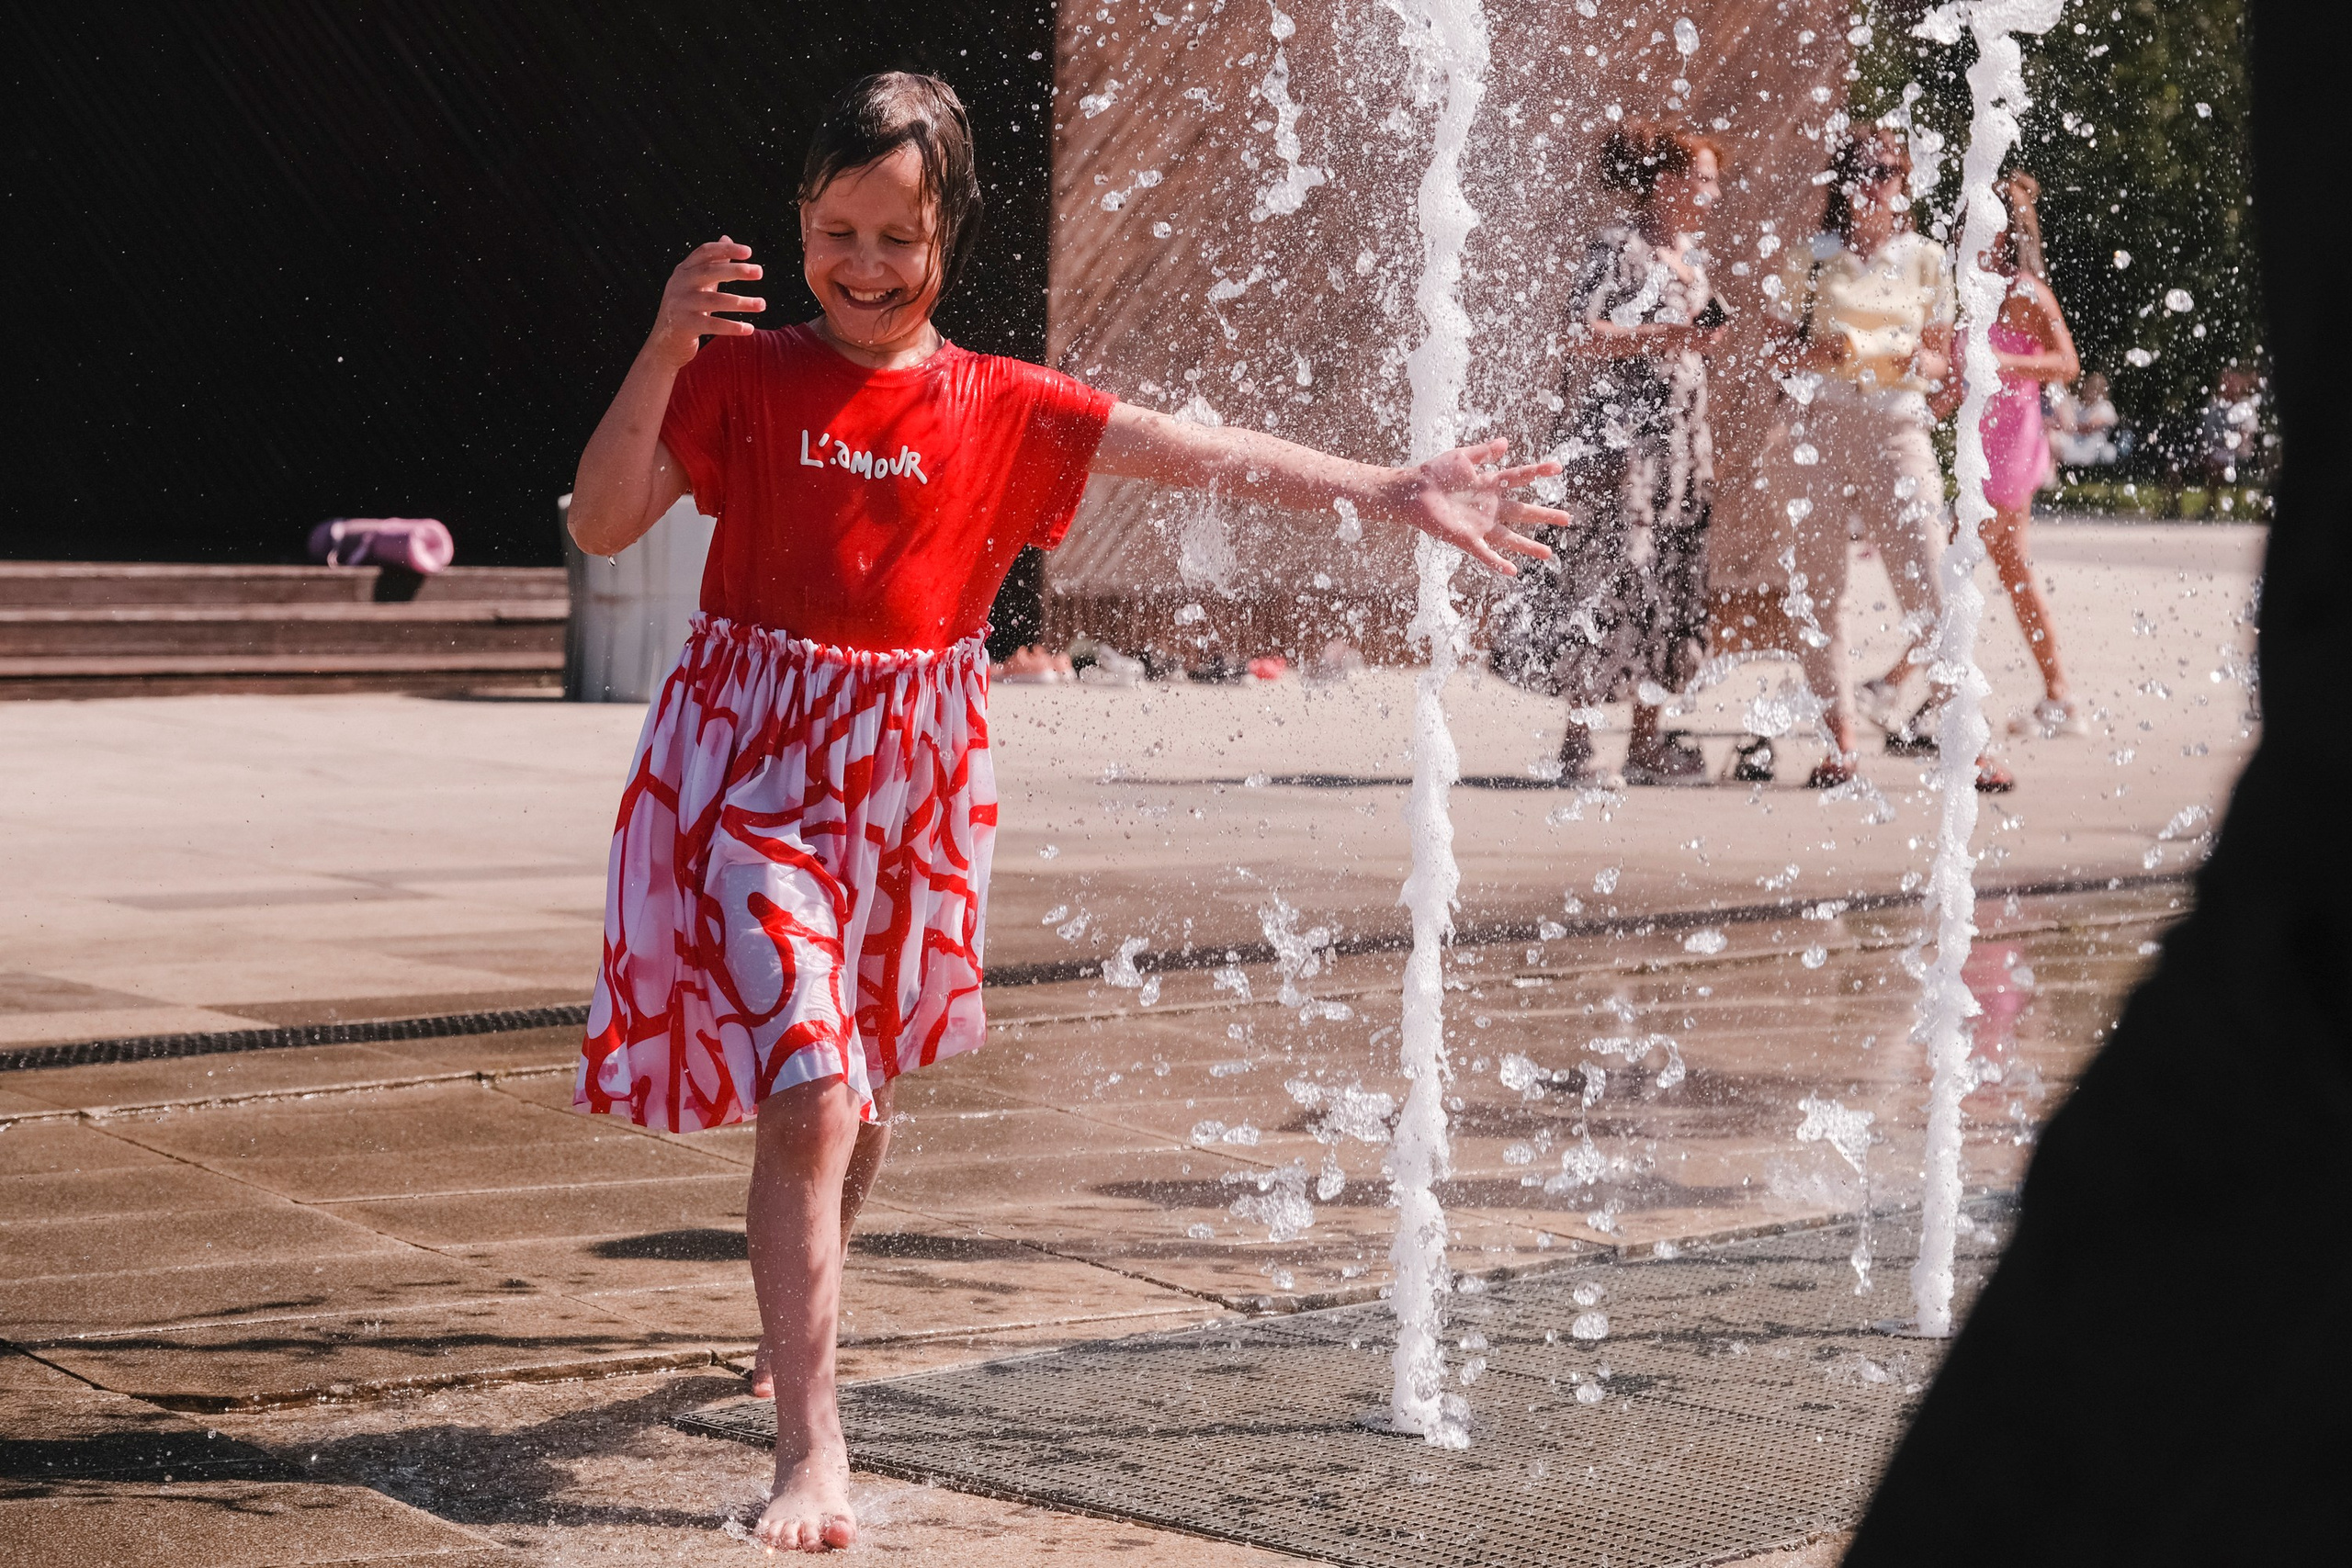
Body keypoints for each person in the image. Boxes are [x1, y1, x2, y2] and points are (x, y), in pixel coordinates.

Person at [562, 73, 1563, 1554]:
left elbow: (1200, 448)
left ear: (947, 234)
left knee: (869, 1086)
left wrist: (1389, 486)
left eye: (896, 235)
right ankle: (812, 1444)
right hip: (756, 768)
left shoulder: (1000, 403)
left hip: (911, 770)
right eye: (836, 229)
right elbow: (597, 521)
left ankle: (801, 1313)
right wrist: (660, 344)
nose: (862, 263)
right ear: (800, 223)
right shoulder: (741, 379)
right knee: (816, 1083)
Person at [1709, 126, 1989, 788]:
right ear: (1843, 180)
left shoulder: (1923, 258)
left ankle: (1962, 735)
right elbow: (1773, 353)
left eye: (1888, 169)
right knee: (1821, 590)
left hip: (1897, 430)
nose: (1875, 181)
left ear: (1904, 181)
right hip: (1816, 429)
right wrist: (1815, 354)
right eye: (1862, 169)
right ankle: (1841, 742)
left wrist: (1911, 361)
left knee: (1931, 583)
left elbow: (1939, 361)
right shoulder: (1812, 256)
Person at [1491, 119, 1726, 784]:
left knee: (1669, 590)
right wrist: (1666, 334)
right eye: (1702, 179)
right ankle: (1578, 743)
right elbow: (1580, 331)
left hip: (1683, 451)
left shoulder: (1690, 254)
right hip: (1625, 447)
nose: (1712, 193)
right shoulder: (1619, 248)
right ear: (1666, 180)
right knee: (1611, 581)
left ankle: (1646, 743)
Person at [1863, 171, 2085, 739]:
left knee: (1963, 569)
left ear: (2003, 233)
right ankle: (2057, 696)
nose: (1963, 236)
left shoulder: (2027, 294)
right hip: (1975, 444)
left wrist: (2002, 367)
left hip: (2011, 444)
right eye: (1963, 226)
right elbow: (1960, 383)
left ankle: (1896, 682)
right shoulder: (1966, 293)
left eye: (1975, 227)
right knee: (1995, 573)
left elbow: (2066, 365)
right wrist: (1917, 413)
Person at [2047, 369, 2122, 469]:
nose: (2089, 392)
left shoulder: (2105, 407)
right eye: (2089, 388)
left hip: (2091, 448)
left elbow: (2091, 426)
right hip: (2074, 443)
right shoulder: (2080, 407)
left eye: (2093, 389)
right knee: (2051, 437)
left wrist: (2070, 426)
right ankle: (2050, 476)